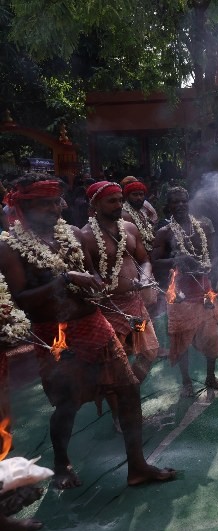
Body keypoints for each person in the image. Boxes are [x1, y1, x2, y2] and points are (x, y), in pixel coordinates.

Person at [0, 173, 175, 489]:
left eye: (56, 201)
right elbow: (21, 300)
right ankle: (61, 464)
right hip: (55, 335)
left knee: (128, 388)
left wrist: (102, 286)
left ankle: (137, 466)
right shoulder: (9, 248)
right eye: (45, 203)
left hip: (95, 323)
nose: (55, 209)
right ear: (25, 207)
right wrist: (65, 280)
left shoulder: (72, 236)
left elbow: (93, 278)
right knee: (68, 403)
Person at [151, 187, 218, 397]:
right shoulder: (164, 233)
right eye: (174, 203)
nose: (179, 206)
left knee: (212, 337)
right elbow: (155, 262)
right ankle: (186, 382)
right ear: (168, 206)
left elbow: (213, 255)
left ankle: (211, 377)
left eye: (183, 202)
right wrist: (177, 261)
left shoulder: (202, 226)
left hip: (204, 290)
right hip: (180, 295)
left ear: (189, 203)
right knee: (182, 341)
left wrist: (210, 269)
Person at [81, 181, 160, 382]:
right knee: (116, 359)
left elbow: (144, 260)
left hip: (136, 309)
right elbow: (88, 276)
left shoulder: (130, 228)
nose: (118, 205)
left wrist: (144, 277)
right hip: (110, 312)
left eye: (120, 200)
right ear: (95, 204)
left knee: (147, 350)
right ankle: (122, 401)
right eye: (111, 201)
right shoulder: (86, 236)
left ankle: (131, 387)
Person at [121, 179, 156, 253]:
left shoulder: (141, 212)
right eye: (135, 194)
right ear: (127, 196)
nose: (139, 198)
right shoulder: (125, 215)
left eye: (141, 194)